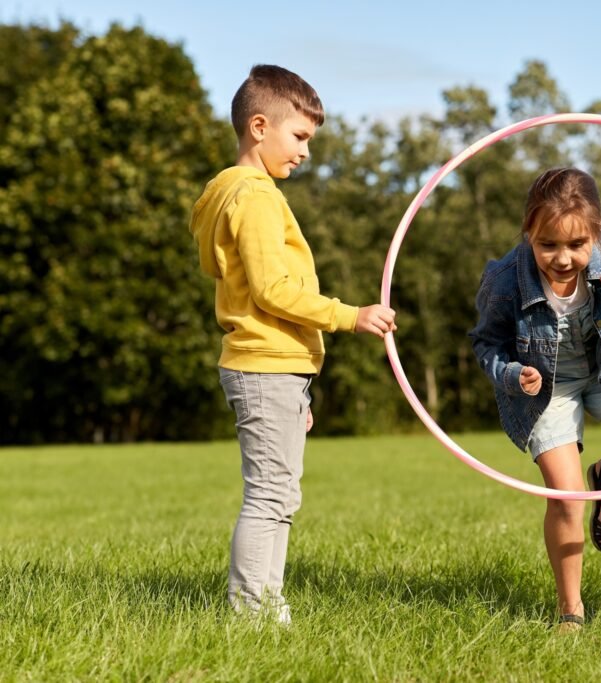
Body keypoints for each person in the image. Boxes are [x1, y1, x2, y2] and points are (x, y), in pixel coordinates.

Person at [189, 64, 396, 624]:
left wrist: (299, 388)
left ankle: (267, 603)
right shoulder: (254, 196)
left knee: (280, 495)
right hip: (265, 367)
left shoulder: (229, 194)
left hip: (274, 369)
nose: (305, 152)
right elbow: (273, 289)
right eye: (299, 137)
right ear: (259, 126)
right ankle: (253, 612)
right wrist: (350, 317)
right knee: (271, 496)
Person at [470, 168, 601, 631]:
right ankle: (570, 611)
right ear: (529, 232)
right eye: (548, 245)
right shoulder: (505, 277)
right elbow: (485, 343)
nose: (563, 259)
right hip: (545, 390)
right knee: (565, 497)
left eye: (577, 245)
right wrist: (509, 373)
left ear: (596, 231)